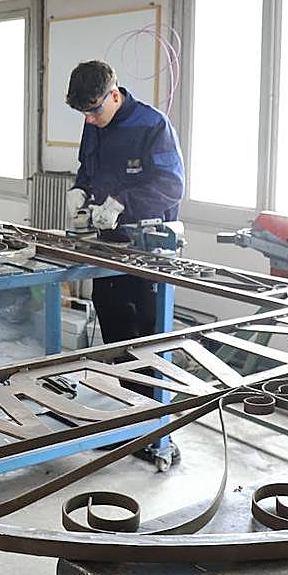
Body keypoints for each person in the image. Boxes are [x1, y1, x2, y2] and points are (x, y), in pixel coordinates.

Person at [65, 59, 185, 371]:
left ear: (114, 96)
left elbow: (171, 186)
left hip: (148, 252)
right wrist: (80, 188)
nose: (89, 120)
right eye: (84, 114)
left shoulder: (153, 125)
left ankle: (150, 407)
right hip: (109, 246)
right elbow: (87, 167)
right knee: (114, 332)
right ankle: (127, 402)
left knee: (145, 340)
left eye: (94, 111)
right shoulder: (94, 124)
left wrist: (121, 204)